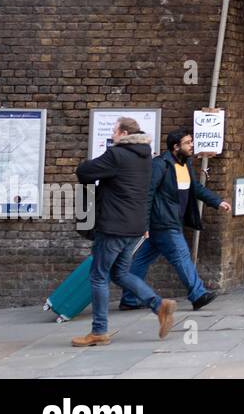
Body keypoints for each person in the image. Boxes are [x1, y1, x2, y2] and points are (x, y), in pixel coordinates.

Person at [72, 117, 176, 346]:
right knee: (120, 273)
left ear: (123, 132)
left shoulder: (117, 155)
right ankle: (158, 305)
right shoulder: (145, 157)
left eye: (114, 131)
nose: (112, 135)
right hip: (135, 227)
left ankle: (99, 330)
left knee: (99, 276)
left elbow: (85, 170)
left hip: (114, 227)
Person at [119, 128, 231, 312]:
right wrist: (144, 224)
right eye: (187, 143)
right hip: (164, 222)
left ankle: (130, 299)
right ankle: (197, 294)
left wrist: (217, 201)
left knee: (140, 260)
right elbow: (148, 194)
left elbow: (195, 188)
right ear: (175, 147)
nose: (191, 146)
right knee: (182, 256)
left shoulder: (184, 165)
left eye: (191, 142)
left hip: (168, 222)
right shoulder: (160, 165)